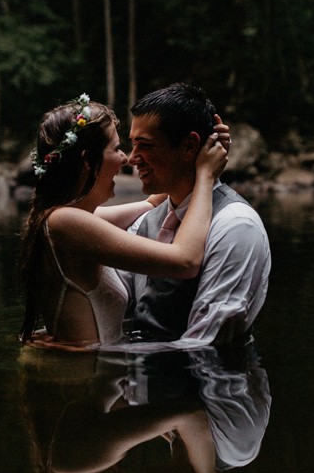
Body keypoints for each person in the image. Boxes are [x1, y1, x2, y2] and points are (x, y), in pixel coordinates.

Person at [19, 93, 227, 346]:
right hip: (84, 379)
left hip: (95, 375)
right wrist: (205, 176)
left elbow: (150, 203)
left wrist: (197, 155)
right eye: (116, 149)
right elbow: (185, 261)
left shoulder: (61, 219)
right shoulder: (66, 222)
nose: (126, 159)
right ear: (87, 161)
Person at [122, 82, 271, 346]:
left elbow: (206, 343)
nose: (132, 159)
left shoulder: (235, 225)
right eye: (132, 145)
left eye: (144, 145)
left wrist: (103, 355)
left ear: (189, 146)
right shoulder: (146, 221)